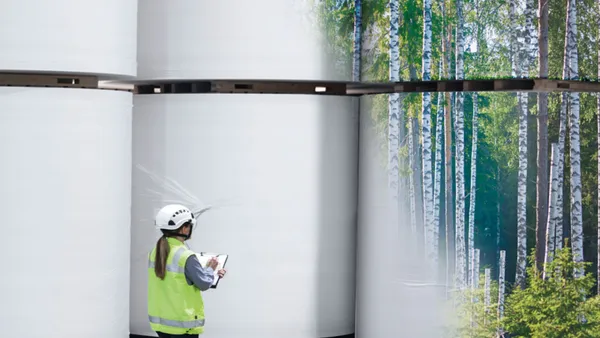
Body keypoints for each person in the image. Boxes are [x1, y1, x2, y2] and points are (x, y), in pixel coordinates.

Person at [148, 204, 227, 338]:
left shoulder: (155, 252)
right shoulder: (186, 256)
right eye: (189, 225)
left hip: (161, 323)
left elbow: (175, 280)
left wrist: (206, 272)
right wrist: (210, 269)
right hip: (182, 326)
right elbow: (203, 283)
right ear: (184, 228)